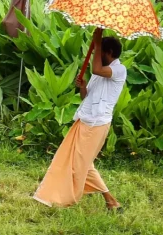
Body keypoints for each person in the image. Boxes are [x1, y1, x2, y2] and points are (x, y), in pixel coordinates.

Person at [34, 30, 125, 210]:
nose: (96, 55)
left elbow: (96, 69)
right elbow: (86, 97)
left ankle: (110, 200)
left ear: (109, 53)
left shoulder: (119, 70)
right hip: (85, 120)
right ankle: (110, 200)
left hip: (97, 124)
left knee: (80, 164)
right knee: (77, 161)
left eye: (100, 52)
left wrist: (96, 43)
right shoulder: (99, 72)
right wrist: (83, 87)